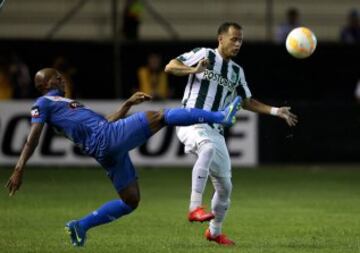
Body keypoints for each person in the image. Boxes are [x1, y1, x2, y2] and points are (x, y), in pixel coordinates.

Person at [5, 68, 242, 247]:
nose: (61, 78)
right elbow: (32, 137)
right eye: (56, 77)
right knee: (160, 116)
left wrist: (128, 104)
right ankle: (220, 116)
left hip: (104, 147)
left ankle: (80, 226)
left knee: (131, 200)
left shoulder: (63, 103)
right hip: (106, 139)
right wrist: (19, 168)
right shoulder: (42, 103)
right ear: (44, 84)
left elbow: (104, 121)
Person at [165, 22, 298, 245]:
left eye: (240, 40)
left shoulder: (237, 71)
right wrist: (193, 70)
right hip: (191, 120)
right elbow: (170, 66)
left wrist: (276, 111)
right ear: (220, 39)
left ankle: (214, 232)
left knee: (225, 188)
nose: (237, 44)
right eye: (233, 39)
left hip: (215, 130)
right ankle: (194, 207)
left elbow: (247, 101)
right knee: (205, 148)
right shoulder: (203, 54)